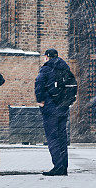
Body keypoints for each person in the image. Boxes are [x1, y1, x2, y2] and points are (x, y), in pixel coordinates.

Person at [35, 48, 77, 176]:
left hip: (50, 107)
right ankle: (64, 166)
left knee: (52, 138)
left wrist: (41, 100)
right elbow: (73, 85)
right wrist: (67, 102)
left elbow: (39, 85)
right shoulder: (65, 68)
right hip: (63, 108)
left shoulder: (46, 69)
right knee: (62, 138)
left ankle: (57, 166)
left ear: (47, 57)